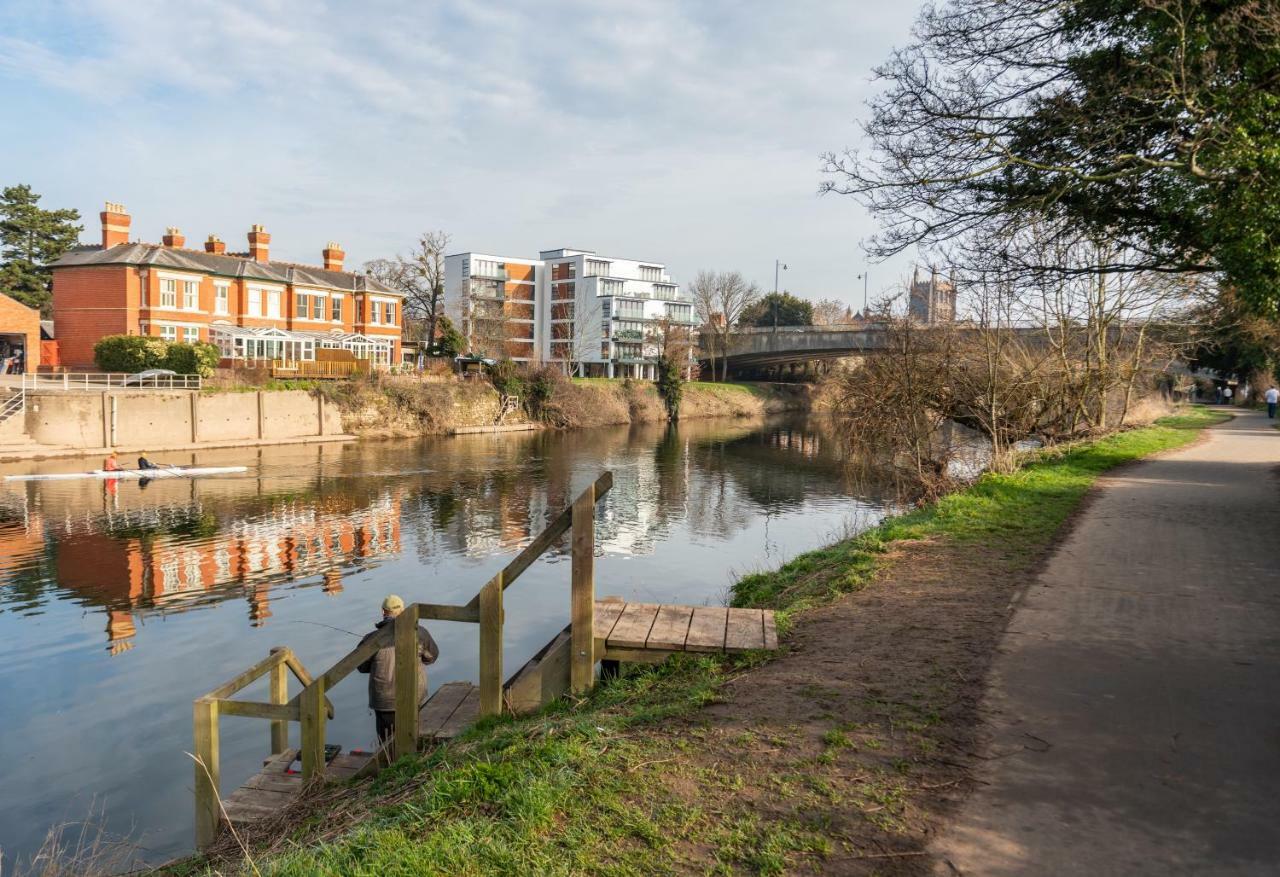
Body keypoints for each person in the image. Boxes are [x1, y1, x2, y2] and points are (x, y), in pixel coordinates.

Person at [357, 594, 439, 747]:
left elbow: (361, 666)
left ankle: (390, 766)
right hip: (414, 694)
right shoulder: (420, 633)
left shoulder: (371, 638)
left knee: (388, 744)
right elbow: (432, 657)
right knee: (413, 735)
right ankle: (412, 763)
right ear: (403, 610)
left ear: (383, 612)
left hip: (384, 701)